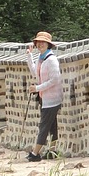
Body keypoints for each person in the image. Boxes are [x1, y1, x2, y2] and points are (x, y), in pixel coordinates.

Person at [25, 30, 62, 161]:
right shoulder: (41, 59)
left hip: (52, 98)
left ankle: (35, 153)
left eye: (43, 42)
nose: (40, 44)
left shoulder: (51, 60)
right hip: (44, 98)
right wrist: (29, 56)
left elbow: (55, 80)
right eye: (38, 42)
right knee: (51, 125)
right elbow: (35, 73)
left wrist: (37, 88)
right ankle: (52, 150)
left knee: (44, 125)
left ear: (48, 44)